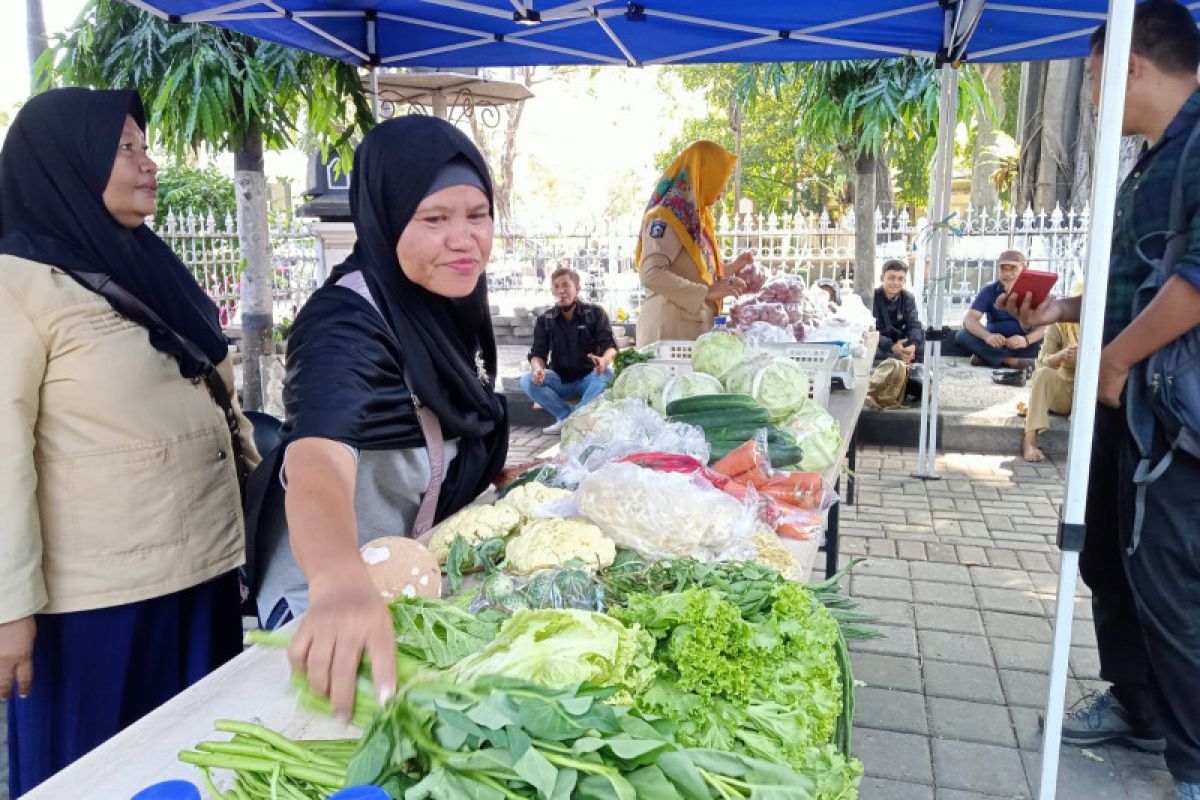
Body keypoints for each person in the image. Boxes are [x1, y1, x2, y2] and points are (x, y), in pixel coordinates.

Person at [0, 88, 257, 795]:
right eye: (124, 148)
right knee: (100, 774)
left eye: (145, 146)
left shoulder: (143, 261)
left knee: (199, 763)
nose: (149, 163)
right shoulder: (17, 285)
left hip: (199, 572)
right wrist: (7, 608)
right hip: (95, 607)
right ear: (67, 161)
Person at [246, 116, 509, 721]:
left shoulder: (445, 304)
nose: (464, 239)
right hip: (325, 613)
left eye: (478, 214)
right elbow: (315, 457)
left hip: (401, 584)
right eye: (434, 219)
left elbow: (452, 424)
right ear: (387, 215)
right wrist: (338, 580)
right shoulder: (345, 321)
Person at [1001, 4, 1200, 796]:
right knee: (1110, 562)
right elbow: (1142, 281)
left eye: (1091, 77)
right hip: (1127, 403)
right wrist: (1060, 312)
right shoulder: (1155, 158)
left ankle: (1193, 763)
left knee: (1172, 581)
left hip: (1171, 416)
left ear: (1132, 64)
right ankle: (1138, 707)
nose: (1090, 98)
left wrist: (1114, 362)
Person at [634, 140, 754, 345]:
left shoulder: (694, 216)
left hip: (688, 331)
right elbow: (651, 274)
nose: (724, 189)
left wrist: (731, 269)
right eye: (721, 178)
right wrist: (708, 292)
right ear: (703, 174)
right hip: (666, 335)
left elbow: (694, 271)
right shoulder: (668, 216)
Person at [521, 267, 617, 435]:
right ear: (552, 291)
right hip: (559, 379)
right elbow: (538, 353)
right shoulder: (545, 319)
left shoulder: (595, 313)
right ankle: (568, 417)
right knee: (527, 380)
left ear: (577, 289)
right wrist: (538, 369)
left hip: (590, 376)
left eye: (566, 285)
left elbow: (610, 346)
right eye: (556, 286)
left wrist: (604, 361)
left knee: (607, 378)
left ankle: (570, 421)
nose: (561, 291)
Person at [954, 250, 1045, 369]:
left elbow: (1046, 326)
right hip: (996, 344)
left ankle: (987, 358)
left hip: (1025, 344)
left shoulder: (1035, 291)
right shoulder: (990, 290)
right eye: (1003, 269)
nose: (1007, 274)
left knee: (1047, 341)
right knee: (961, 336)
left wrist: (1026, 340)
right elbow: (969, 319)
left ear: (1024, 269)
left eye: (1012, 268)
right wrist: (988, 336)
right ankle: (1011, 361)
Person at [1020, 321, 1078, 462]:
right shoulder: (1060, 325)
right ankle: (1029, 443)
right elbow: (1040, 363)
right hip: (1064, 391)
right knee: (1043, 374)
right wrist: (1059, 356)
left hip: (1094, 393)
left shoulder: (1103, 322)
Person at [873, 259, 925, 365]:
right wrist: (891, 346)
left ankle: (904, 357)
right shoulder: (872, 298)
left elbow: (914, 325)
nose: (896, 283)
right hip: (881, 341)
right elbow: (868, 331)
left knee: (922, 342)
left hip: (900, 341)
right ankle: (899, 358)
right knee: (871, 348)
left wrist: (912, 346)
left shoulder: (907, 298)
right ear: (882, 278)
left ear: (904, 281)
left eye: (900, 279)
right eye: (891, 278)